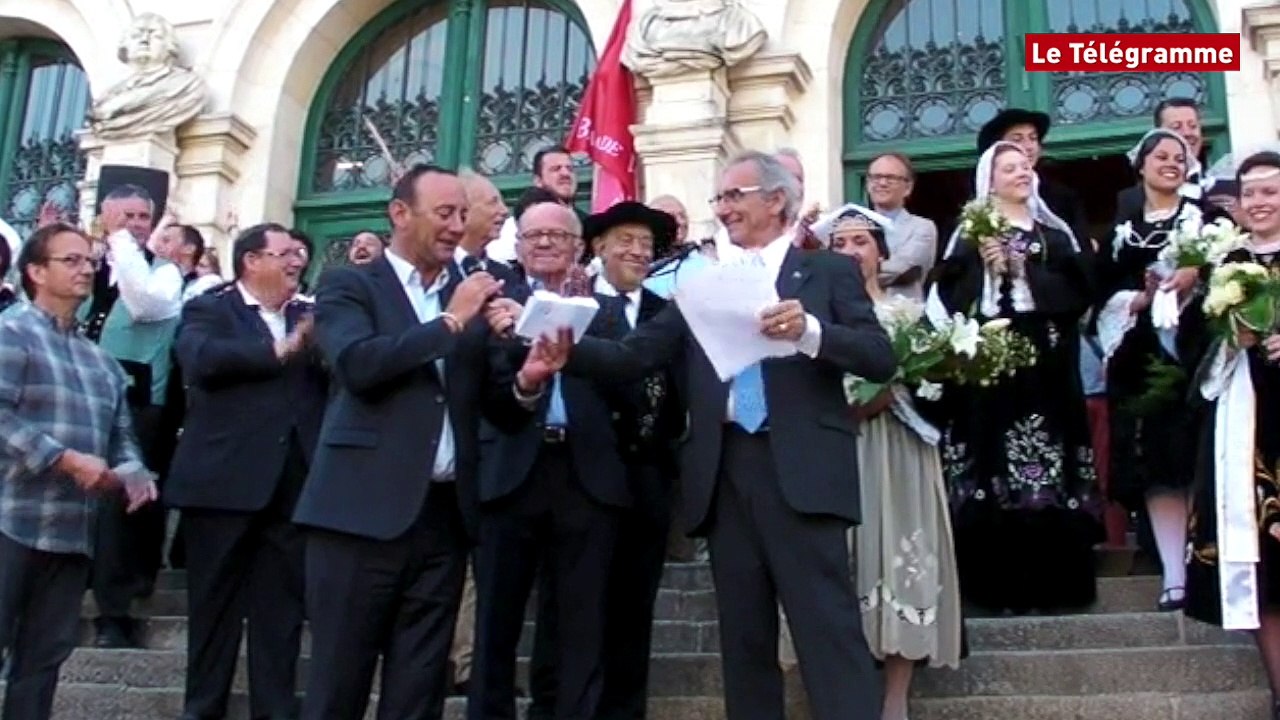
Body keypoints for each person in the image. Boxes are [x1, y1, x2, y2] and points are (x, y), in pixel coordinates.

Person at [488, 151, 896, 720]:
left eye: (734, 196)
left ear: (775, 200)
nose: (722, 210)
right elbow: (635, 355)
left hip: (801, 469)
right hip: (724, 474)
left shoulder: (825, 272)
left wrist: (811, 331)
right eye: (719, 200)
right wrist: (565, 350)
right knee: (744, 643)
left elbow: (880, 357)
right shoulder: (702, 284)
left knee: (828, 633)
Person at [293, 164, 503, 720]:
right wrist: (451, 324)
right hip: (358, 515)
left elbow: (494, 405)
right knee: (339, 683)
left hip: (443, 519)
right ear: (399, 214)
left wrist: (530, 377)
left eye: (463, 213)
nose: (458, 226)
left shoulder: (468, 298)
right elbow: (360, 366)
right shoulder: (349, 285)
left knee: (420, 691)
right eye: (445, 213)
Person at [927, 141, 1103, 613]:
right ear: (991, 179)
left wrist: (1025, 271)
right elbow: (948, 300)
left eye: (1025, 166)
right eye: (1010, 168)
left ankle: (1056, 589)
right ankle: (993, 589)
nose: (1022, 173)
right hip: (989, 365)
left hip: (1046, 364)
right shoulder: (969, 234)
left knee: (1051, 464)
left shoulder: (1053, 234)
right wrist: (984, 271)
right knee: (990, 465)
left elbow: (1080, 293)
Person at [166, 224, 326, 720]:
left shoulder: (312, 315)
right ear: (251, 261)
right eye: (284, 254)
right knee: (213, 614)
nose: (296, 261)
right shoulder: (209, 308)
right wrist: (277, 351)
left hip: (292, 488)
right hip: (221, 487)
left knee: (280, 618)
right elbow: (200, 360)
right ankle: (203, 710)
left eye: (299, 254)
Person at [0, 223, 158, 720]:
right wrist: (62, 458)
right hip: (9, 523)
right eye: (71, 260)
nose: (86, 268)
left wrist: (133, 470)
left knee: (43, 666)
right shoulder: (9, 333)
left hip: (72, 535)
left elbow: (122, 436)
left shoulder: (102, 363)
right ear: (35, 272)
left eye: (90, 260)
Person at [829, 207, 962, 720]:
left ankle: (895, 698)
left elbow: (942, 387)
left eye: (860, 242)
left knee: (905, 560)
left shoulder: (910, 312)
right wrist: (855, 404)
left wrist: (899, 391)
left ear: (880, 253)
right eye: (840, 244)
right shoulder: (816, 319)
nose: (851, 253)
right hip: (845, 446)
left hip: (903, 450)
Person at [1093, 129, 1208, 610]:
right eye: (1161, 156)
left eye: (1179, 158)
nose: (1171, 164)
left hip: (1198, 353)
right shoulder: (1121, 231)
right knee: (1159, 465)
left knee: (1199, 461)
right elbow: (1099, 294)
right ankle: (1175, 576)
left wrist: (1194, 278)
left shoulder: (1209, 220)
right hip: (1142, 361)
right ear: (1140, 166)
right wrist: (1139, 298)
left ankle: (1210, 566)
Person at [1185, 151, 1280, 720]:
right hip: (1249, 423)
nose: (1261, 201)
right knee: (1265, 565)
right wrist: (1231, 337)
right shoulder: (1226, 264)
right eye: (1251, 193)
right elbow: (1190, 354)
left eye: (1271, 190)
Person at [586, 202, 685, 720]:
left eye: (646, 245)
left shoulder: (665, 312)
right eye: (625, 240)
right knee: (584, 607)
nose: (637, 252)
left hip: (648, 478)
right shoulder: (576, 304)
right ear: (599, 246)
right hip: (586, 481)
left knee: (635, 607)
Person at [84, 184, 184, 648]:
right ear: (104, 215)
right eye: (127, 215)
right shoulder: (86, 269)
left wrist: (121, 243)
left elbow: (146, 303)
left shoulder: (164, 273)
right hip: (83, 398)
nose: (137, 224)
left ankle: (117, 611)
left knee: (126, 503)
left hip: (140, 402)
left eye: (144, 216)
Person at [863, 152, 938, 300]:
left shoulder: (922, 228)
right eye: (876, 177)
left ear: (908, 187)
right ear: (867, 183)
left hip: (902, 317)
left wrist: (857, 270)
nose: (882, 183)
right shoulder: (854, 226)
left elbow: (900, 269)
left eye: (891, 178)